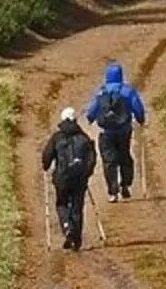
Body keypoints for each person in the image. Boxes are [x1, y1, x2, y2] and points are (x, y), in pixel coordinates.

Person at [85, 62, 146, 202]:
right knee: (124, 156)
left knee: (109, 161)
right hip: (124, 130)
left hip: (106, 132)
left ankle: (113, 192)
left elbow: (91, 111)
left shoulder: (101, 92)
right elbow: (138, 107)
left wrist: (89, 119)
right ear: (120, 75)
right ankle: (125, 185)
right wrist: (140, 119)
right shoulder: (127, 91)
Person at [41, 107, 96, 251]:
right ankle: (76, 240)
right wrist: (87, 173)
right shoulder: (83, 137)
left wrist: (45, 166)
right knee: (77, 208)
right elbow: (91, 158)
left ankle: (67, 228)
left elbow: (47, 155)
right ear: (76, 120)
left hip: (62, 179)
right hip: (79, 179)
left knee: (62, 204)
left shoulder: (57, 137)